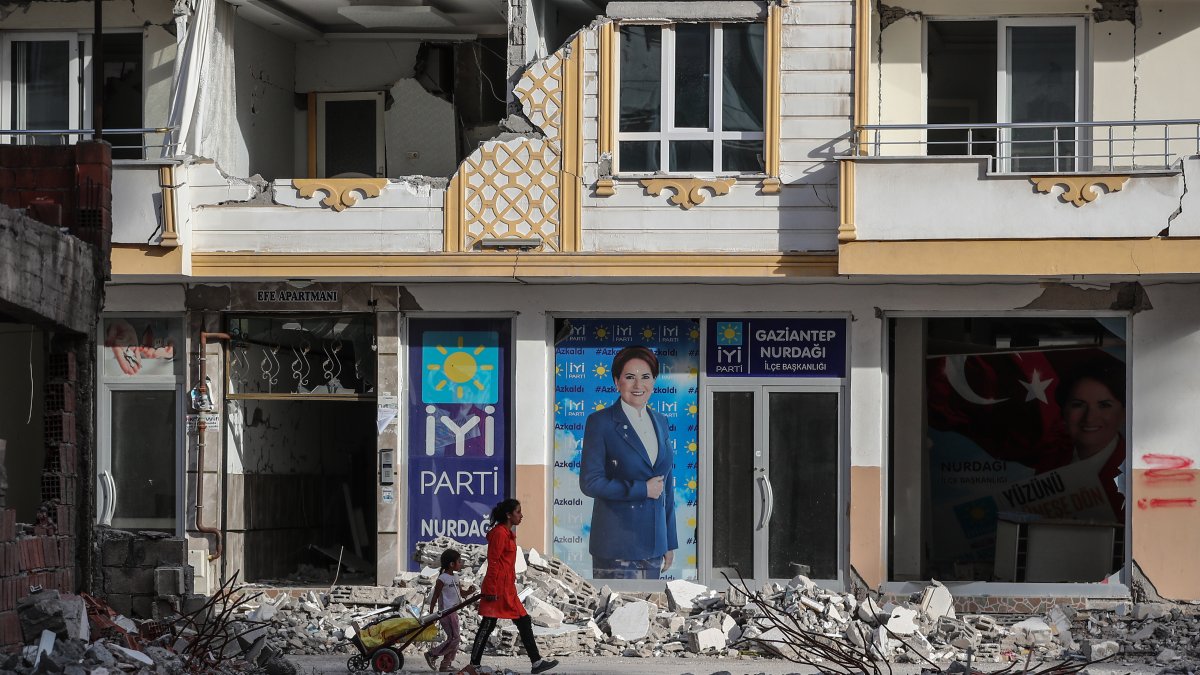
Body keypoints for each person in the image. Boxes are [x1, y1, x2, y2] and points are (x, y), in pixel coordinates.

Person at [578, 345, 677, 579]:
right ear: (616, 382)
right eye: (629, 377)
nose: (638, 385)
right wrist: (642, 489)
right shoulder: (600, 422)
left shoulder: (661, 422)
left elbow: (667, 486)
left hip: (653, 545)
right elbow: (590, 482)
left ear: (654, 381)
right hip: (616, 545)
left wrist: (669, 541)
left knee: (649, 614)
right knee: (615, 614)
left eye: (645, 377)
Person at [469, 499, 558, 674]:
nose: (521, 515)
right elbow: (493, 562)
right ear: (508, 515)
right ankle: (474, 665)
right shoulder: (499, 534)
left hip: (507, 588)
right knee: (488, 624)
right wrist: (491, 590)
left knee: (523, 621)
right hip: (497, 588)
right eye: (518, 512)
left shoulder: (507, 533)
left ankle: (536, 662)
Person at [1041, 361, 1127, 522]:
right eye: (1078, 405)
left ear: (1123, 413)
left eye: (1104, 405)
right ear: (1063, 412)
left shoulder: (1138, 471)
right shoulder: (1048, 463)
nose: (1090, 418)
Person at [425, 548, 475, 672]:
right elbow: (435, 596)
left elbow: (460, 593)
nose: (461, 563)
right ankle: (432, 653)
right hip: (446, 613)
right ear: (451, 564)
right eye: (459, 561)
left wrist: (469, 591)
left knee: (454, 639)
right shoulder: (442, 578)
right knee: (455, 639)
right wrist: (432, 615)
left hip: (454, 611)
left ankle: (445, 665)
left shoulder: (456, 577)